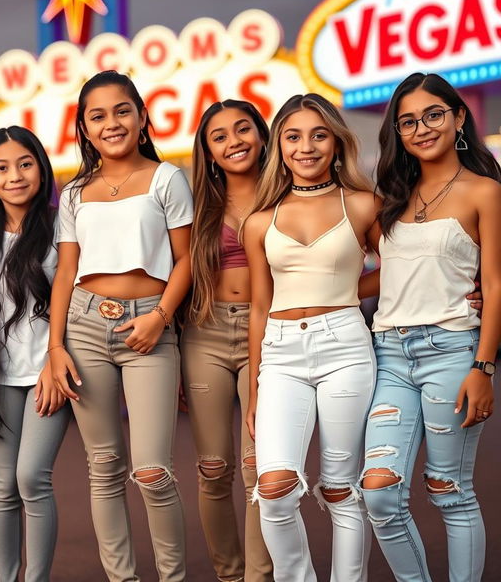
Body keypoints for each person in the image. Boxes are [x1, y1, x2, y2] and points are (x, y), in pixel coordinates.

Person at [49, 70, 193, 582]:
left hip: (150, 325)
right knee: (104, 467)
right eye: (97, 116)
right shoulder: (74, 194)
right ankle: (122, 578)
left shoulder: (167, 178)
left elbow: (186, 260)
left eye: (121, 110)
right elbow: (67, 271)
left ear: (142, 116)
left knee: (153, 471)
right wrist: (55, 347)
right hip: (85, 327)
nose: (111, 123)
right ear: (84, 130)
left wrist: (159, 318)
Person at [361, 72, 501, 582]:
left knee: (450, 490)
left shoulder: (484, 191)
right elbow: (385, 279)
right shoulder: (391, 198)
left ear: (459, 117)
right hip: (389, 355)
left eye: (433, 115)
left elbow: (496, 282)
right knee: (378, 492)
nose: (421, 128)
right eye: (408, 122)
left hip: (453, 350)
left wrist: (483, 365)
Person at [244, 93, 382, 582]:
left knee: (342, 488)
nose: (306, 147)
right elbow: (261, 306)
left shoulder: (364, 204)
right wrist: (255, 384)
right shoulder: (260, 220)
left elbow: (400, 270)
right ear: (279, 144)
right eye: (293, 136)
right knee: (274, 486)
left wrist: (344, 292)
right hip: (280, 353)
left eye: (319, 134)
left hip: (345, 344)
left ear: (336, 141)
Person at [0, 126, 71, 582]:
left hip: (50, 371)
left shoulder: (63, 226)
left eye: (25, 163)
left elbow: (74, 299)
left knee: (32, 478)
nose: (15, 176)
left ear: (42, 168)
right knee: (3, 487)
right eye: (1, 168)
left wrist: (56, 357)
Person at [181, 99, 273, 582]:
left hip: (272, 332)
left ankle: (259, 578)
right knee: (214, 468)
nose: (233, 141)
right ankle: (230, 575)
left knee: (260, 466)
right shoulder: (195, 203)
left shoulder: (290, 191)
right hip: (206, 333)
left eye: (243, 129)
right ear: (209, 151)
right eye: (219, 136)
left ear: (261, 135)